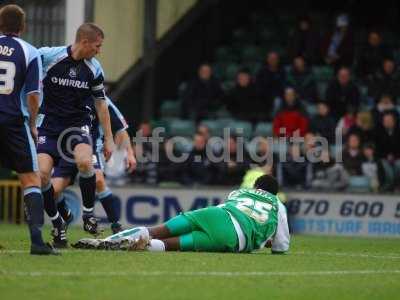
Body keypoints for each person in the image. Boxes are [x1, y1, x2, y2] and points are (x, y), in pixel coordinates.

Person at [73, 174, 290, 254]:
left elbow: (238, 210)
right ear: (273, 192)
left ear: (255, 187)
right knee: (170, 245)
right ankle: (138, 247)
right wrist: (266, 242)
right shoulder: (277, 204)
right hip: (233, 237)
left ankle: (106, 242)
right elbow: (281, 245)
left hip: (216, 214)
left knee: (157, 230)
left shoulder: (240, 191)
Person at [37, 23, 115, 242]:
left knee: (84, 162)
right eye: (97, 46)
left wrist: (108, 139)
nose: (99, 50)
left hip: (77, 126)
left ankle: (89, 215)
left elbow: (101, 105)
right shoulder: (47, 56)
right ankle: (57, 223)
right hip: (49, 126)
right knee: (42, 176)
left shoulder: (94, 68)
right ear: (84, 42)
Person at [0, 4, 57, 255]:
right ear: (23, 27)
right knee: (31, 179)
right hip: (13, 122)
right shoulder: (30, 51)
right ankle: (37, 241)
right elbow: (34, 95)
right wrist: (33, 124)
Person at [49, 96, 136, 247]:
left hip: (90, 147)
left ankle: (116, 225)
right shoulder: (62, 92)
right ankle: (66, 216)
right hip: (65, 151)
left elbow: (120, 128)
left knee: (99, 180)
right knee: (53, 191)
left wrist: (130, 153)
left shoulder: (101, 99)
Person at [256, 51, 285, 119]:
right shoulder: (261, 72)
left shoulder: (282, 71)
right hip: (264, 98)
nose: (272, 60)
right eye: (271, 58)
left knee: (278, 101)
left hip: (279, 98)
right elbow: (259, 87)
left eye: (275, 58)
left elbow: (284, 87)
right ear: (267, 59)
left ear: (278, 60)